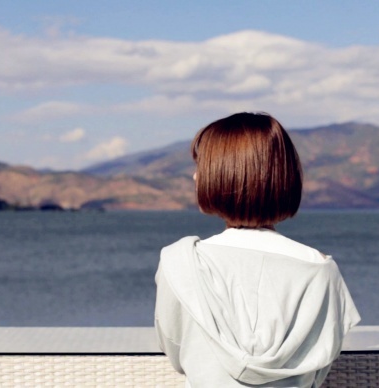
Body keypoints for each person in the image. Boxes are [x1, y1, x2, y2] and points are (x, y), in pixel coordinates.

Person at [154, 112, 360, 387]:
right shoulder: (320, 268)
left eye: (202, 165)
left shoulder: (181, 262)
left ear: (223, 177)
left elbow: (177, 353)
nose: (194, 176)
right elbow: (319, 367)